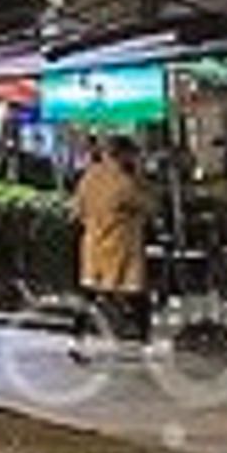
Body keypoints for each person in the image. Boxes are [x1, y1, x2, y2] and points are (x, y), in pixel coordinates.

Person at [73, 134, 153, 345]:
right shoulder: (124, 181)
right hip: (121, 246)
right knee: (137, 293)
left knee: (89, 292)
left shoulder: (89, 177)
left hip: (93, 244)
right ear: (124, 155)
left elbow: (77, 210)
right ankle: (144, 336)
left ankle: (77, 336)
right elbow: (147, 205)